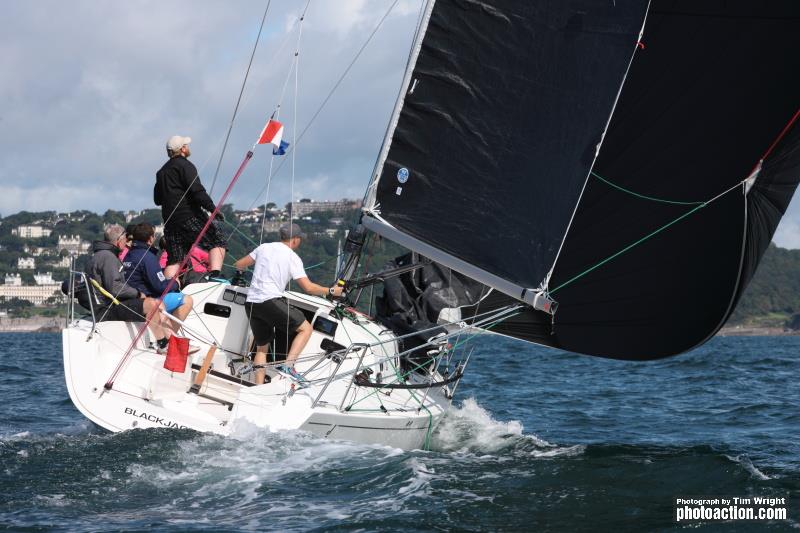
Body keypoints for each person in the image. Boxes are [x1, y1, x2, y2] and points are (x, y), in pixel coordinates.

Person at [234, 223, 343, 385]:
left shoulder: (264, 247)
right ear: (295, 240)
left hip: (251, 304)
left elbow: (239, 264)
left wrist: (241, 273)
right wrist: (331, 291)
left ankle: (258, 387)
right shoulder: (293, 257)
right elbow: (309, 288)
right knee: (306, 328)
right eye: (300, 239)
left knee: (262, 347)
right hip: (269, 301)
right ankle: (288, 366)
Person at [85, 224, 173, 352]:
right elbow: (115, 287)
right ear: (119, 240)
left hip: (106, 306)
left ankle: (172, 341)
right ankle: (163, 344)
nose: (127, 241)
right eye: (126, 237)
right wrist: (138, 294)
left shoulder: (100, 255)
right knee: (151, 304)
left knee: (158, 303)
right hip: (107, 309)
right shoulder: (108, 257)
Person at [154, 135, 227, 280]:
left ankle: (168, 289)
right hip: (188, 215)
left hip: (170, 221)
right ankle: (214, 276)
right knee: (217, 238)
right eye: (186, 145)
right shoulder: (186, 165)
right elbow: (196, 190)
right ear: (182, 149)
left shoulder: (161, 172)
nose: (188, 148)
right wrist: (213, 209)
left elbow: (157, 200)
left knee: (176, 258)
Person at [122, 223, 194, 330]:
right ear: (151, 239)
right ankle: (171, 337)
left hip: (132, 299)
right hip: (145, 300)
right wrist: (175, 284)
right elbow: (160, 287)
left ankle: (165, 330)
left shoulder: (129, 255)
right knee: (187, 300)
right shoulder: (148, 257)